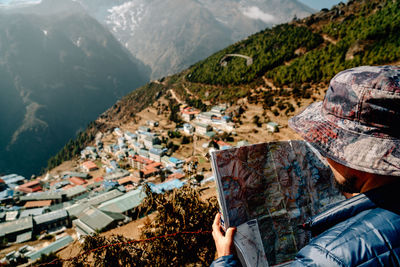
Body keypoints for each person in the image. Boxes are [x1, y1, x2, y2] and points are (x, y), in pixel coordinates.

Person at [210, 65, 400, 267]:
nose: (325, 157)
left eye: (330, 146)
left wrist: (224, 259)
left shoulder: (327, 256)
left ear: (357, 157)